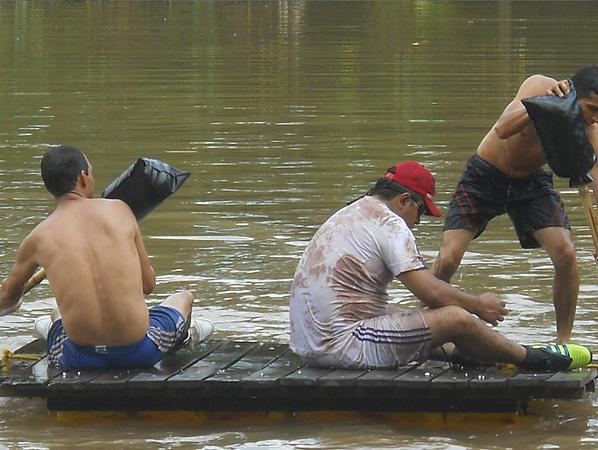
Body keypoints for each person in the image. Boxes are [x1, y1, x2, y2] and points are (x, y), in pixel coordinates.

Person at [289, 161, 592, 371]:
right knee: (456, 319)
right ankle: (534, 359)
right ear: (404, 200)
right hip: (342, 345)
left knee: (405, 315)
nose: (417, 223)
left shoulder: (353, 211)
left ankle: (469, 353)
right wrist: (478, 305)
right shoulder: (390, 223)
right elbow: (431, 292)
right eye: (420, 212)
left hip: (309, 340)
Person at [0, 145, 214, 370]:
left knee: (58, 311)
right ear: (83, 177)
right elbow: (148, 284)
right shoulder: (120, 210)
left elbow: (8, 297)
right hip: (140, 353)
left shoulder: (37, 238)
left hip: (77, 358)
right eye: (91, 172)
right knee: (184, 297)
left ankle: (53, 326)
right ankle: (187, 336)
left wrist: (8, 305)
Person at [432, 66, 598, 344]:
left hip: (531, 184)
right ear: (574, 94)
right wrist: (543, 105)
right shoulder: (539, 86)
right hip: (484, 175)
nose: (594, 118)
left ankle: (563, 341)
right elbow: (503, 128)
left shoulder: (591, 130)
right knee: (449, 256)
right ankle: (428, 322)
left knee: (566, 253)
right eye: (592, 108)